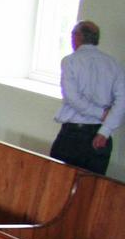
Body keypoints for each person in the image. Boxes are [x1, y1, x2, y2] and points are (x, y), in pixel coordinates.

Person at [52, 21, 124, 177]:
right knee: (92, 190)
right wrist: (105, 131)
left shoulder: (70, 61)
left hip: (73, 135)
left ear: (77, 37)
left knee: (59, 182)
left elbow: (72, 98)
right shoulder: (114, 64)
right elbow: (122, 101)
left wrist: (100, 113)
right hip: (100, 135)